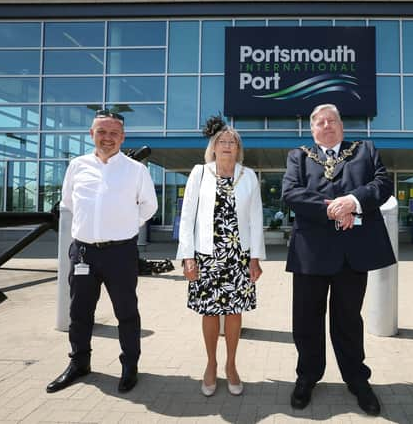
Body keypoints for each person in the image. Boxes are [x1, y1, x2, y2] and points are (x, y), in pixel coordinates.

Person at [282, 103, 396, 416]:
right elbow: (290, 193)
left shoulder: (365, 150)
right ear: (312, 128)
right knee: (306, 321)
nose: (327, 125)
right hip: (311, 255)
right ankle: (307, 377)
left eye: (333, 120)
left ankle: (358, 381)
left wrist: (353, 201)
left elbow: (383, 184)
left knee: (348, 321)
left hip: (352, 254)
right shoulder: (299, 156)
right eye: (320, 121)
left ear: (342, 126)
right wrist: (332, 208)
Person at [46, 110, 158, 393]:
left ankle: (130, 365)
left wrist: (125, 225)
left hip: (120, 253)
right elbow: (69, 201)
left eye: (113, 133)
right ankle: (79, 363)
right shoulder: (77, 166)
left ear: (122, 137)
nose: (107, 138)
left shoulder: (136, 170)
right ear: (91, 134)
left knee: (126, 312)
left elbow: (149, 206)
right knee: (79, 312)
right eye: (102, 132)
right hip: (83, 252)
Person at [176, 115, 265, 397]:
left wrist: (255, 258)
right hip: (206, 255)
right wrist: (187, 256)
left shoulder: (247, 175)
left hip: (238, 256)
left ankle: (231, 365)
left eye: (233, 142)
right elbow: (187, 215)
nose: (227, 145)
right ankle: (211, 364)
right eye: (222, 141)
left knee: (235, 310)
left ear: (238, 149)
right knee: (210, 311)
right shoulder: (199, 173)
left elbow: (255, 218)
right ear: (213, 147)